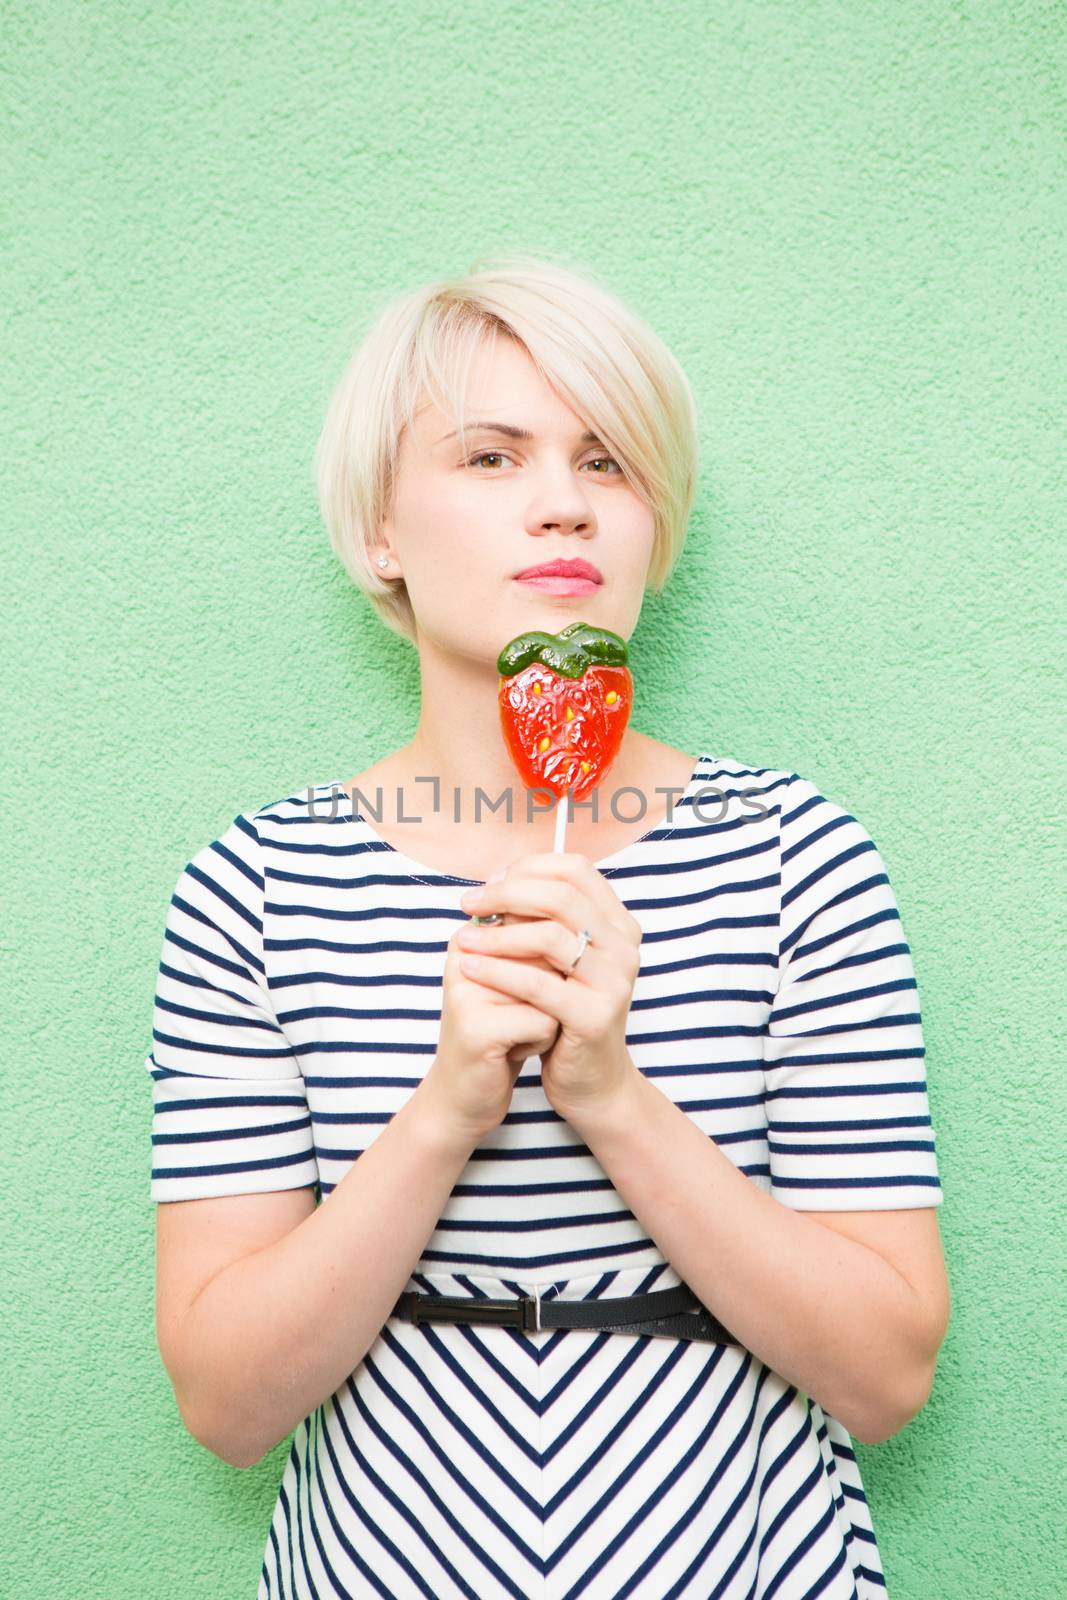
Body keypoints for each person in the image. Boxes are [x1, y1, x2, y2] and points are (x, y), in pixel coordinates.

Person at [144, 254, 950, 1599]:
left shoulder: (798, 856)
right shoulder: (257, 886)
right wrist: (449, 1106)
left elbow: (886, 1374)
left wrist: (612, 1095)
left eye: (609, 463)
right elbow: (226, 1408)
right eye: (490, 457)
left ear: (656, 524)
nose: (565, 505)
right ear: (380, 531)